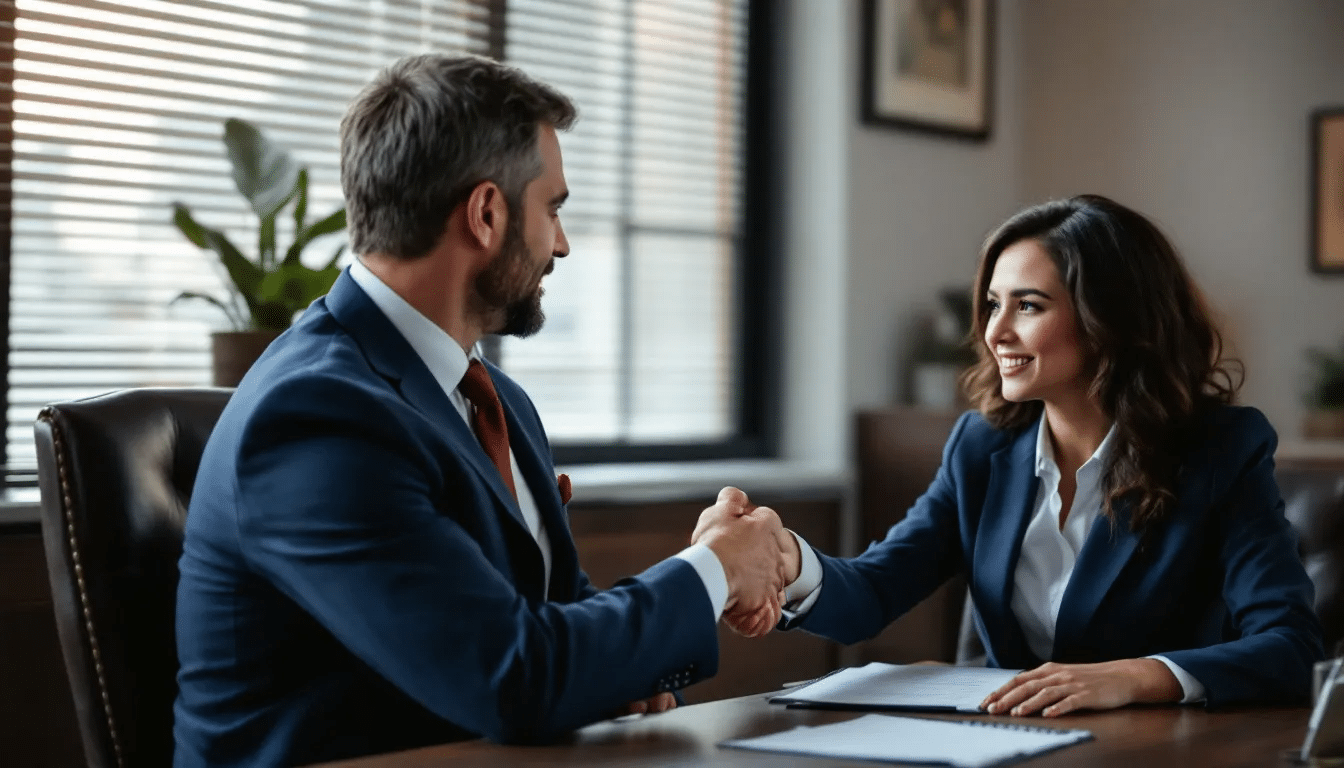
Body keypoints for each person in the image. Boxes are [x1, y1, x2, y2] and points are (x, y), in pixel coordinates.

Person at [173, 54, 790, 767]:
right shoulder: (317, 417)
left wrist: (621, 672)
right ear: (487, 213)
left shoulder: (496, 401)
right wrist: (712, 570)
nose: (561, 243)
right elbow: (516, 678)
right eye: (552, 209)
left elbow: (557, 624)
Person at [735, 194, 1324, 716]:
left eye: (1029, 306)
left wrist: (1133, 677)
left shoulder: (1221, 450)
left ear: (1110, 321)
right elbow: (874, 591)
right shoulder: (980, 447)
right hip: (1006, 743)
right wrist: (789, 561)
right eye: (993, 305)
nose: (995, 332)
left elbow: (1291, 647)